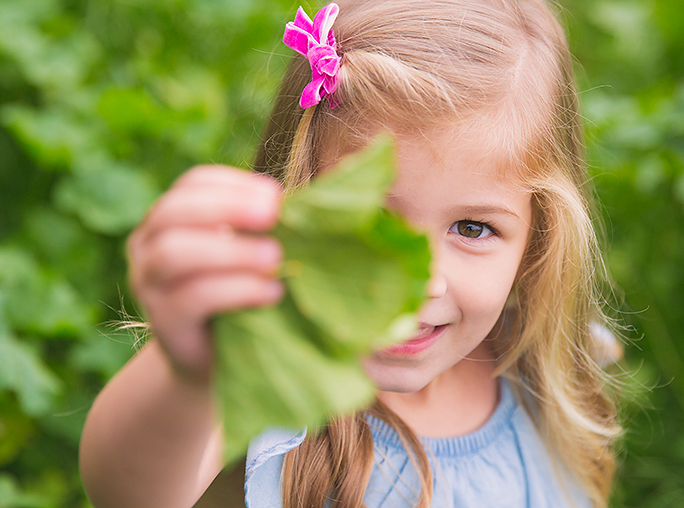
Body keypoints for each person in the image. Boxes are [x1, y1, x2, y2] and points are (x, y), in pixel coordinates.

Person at [78, 0, 621, 506]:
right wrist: (188, 371)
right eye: (372, 219)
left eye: (472, 228)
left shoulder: (539, 376)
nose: (421, 282)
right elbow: (128, 490)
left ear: (538, 242)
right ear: (295, 204)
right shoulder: (274, 364)